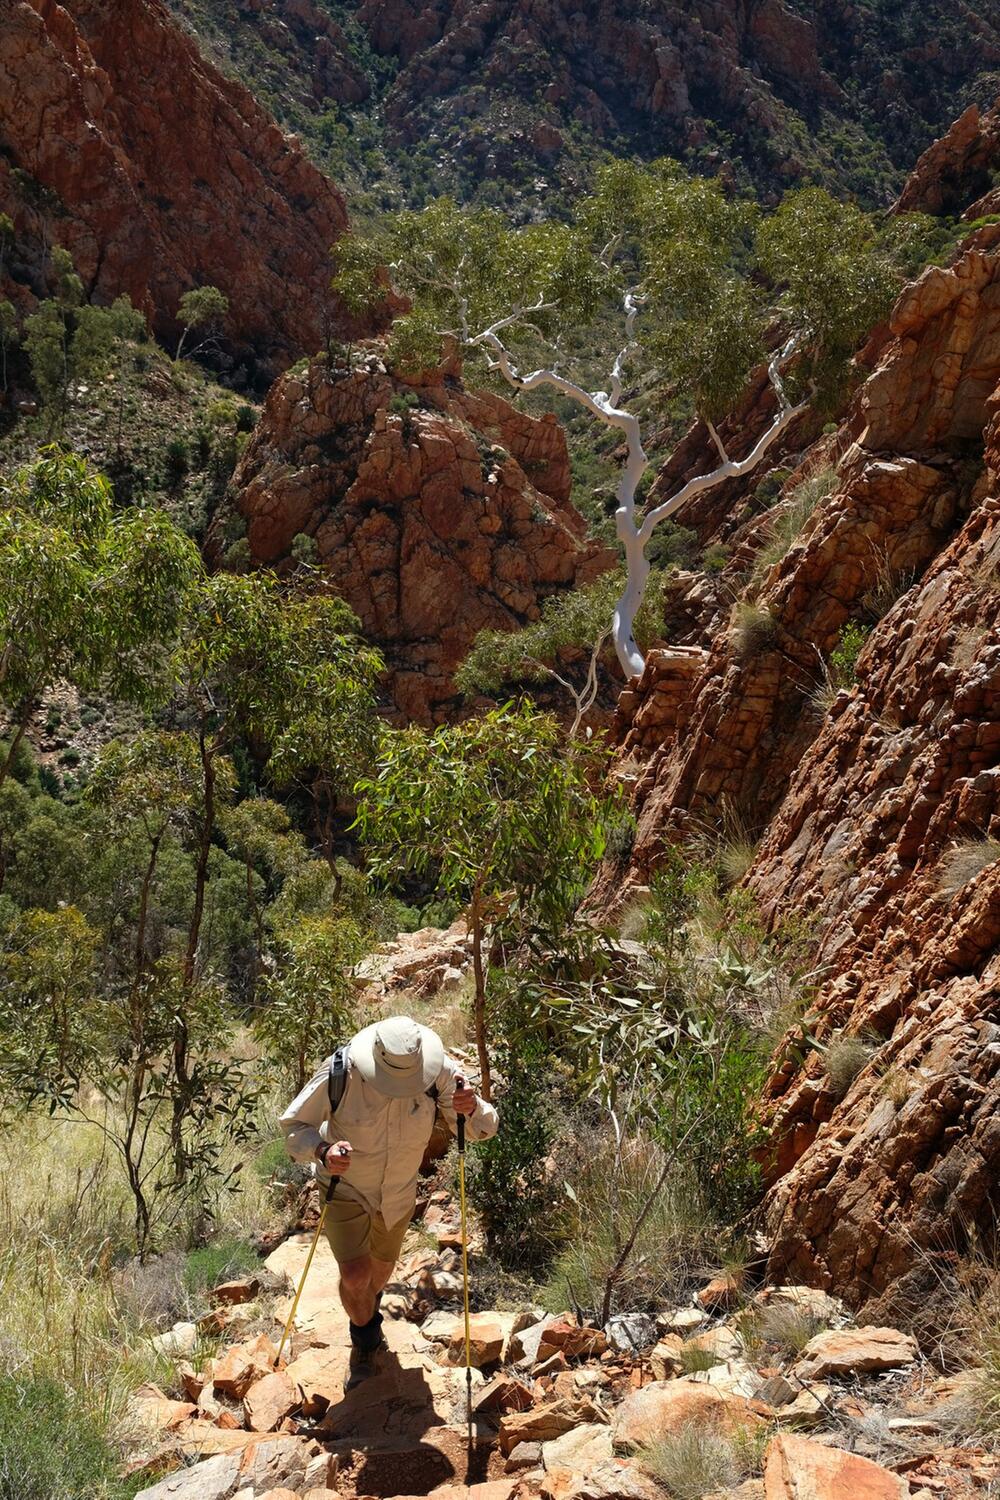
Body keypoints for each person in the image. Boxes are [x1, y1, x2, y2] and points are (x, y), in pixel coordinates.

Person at [280, 1014, 498, 1387]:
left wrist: (472, 1106)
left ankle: (367, 1315)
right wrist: (322, 1149)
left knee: (377, 1277)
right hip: (346, 1187)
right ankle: (365, 1342)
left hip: (398, 1195)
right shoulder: (340, 1072)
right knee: (356, 1275)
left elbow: (480, 1130)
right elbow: (293, 1128)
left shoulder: (439, 1073)